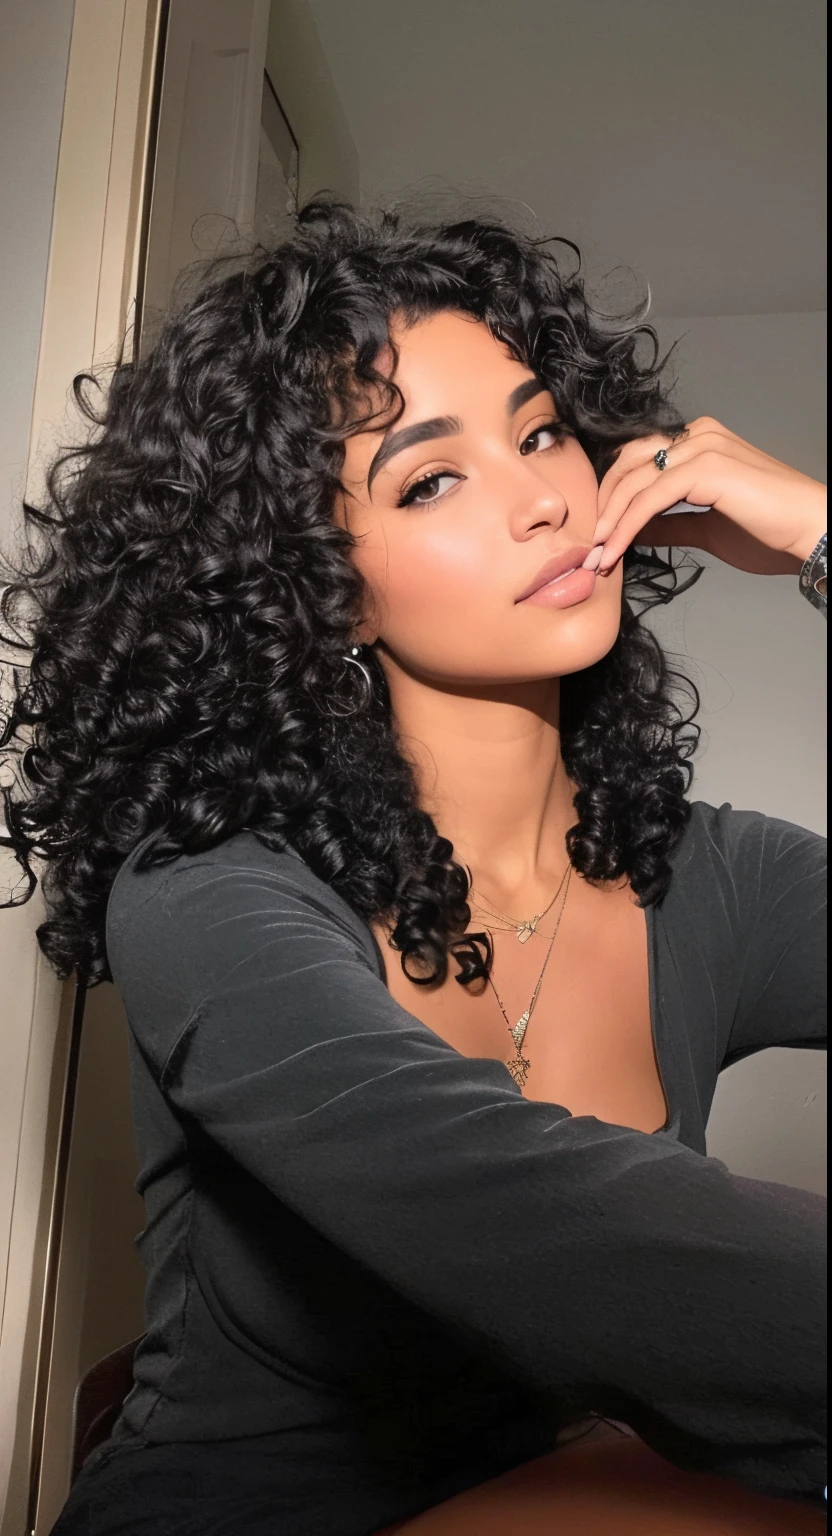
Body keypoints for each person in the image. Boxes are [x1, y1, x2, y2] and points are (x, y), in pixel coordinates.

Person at [1, 201, 826, 1535]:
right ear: (320, 587)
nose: (544, 497)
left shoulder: (707, 879)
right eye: (430, 479)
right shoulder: (211, 892)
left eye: (544, 429)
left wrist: (825, 537)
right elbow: (567, 1236)